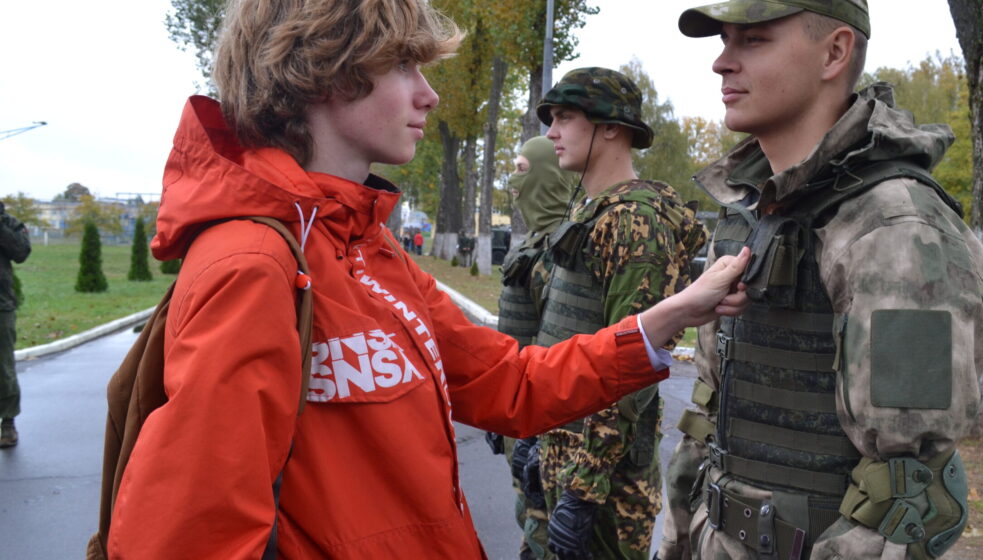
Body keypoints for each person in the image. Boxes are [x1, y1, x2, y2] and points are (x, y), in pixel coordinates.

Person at [104, 0, 751, 558]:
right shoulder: (256, 266)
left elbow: (510, 382)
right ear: (325, 71)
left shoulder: (367, 249)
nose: (428, 93)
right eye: (402, 65)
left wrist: (666, 318)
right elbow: (190, 534)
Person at [656, 1, 983, 559]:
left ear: (835, 52)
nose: (721, 63)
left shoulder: (891, 224)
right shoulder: (753, 211)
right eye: (724, 41)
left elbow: (904, 490)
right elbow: (708, 420)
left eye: (753, 41)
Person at [532, 67, 708, 560]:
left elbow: (631, 365)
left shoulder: (636, 221)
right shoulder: (589, 212)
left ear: (611, 126)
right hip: (562, 454)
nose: (551, 133)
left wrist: (583, 489)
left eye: (565, 117)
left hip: (604, 482)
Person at [494, 135, 577, 559]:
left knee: (544, 540)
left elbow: (563, 351)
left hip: (551, 430)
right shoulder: (532, 246)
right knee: (527, 526)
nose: (513, 182)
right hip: (520, 423)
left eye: (523, 171)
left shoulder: (567, 250)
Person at [0, 201, 30, 449]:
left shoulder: (9, 223)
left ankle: (7, 422)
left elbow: (21, 252)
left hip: (1, 307)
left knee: (3, 367)